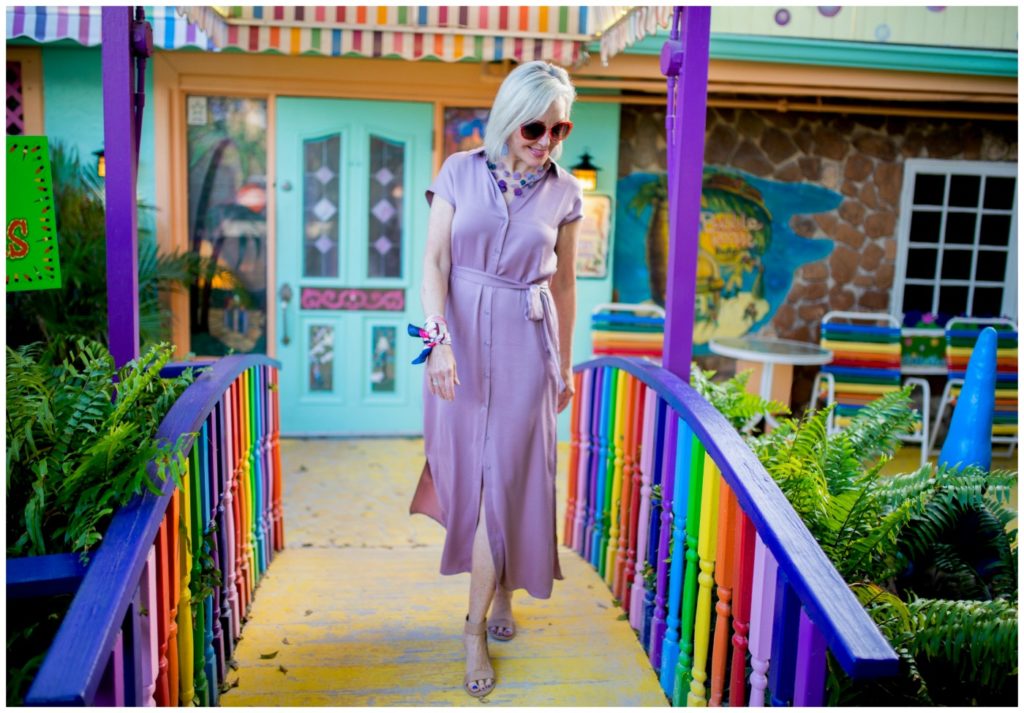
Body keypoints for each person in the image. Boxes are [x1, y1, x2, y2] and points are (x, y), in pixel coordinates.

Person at [412, 60, 583, 698]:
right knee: (474, 480)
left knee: (505, 483)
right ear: (510, 118)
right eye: (535, 127)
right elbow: (433, 261)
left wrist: (562, 363)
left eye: (559, 129)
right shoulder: (459, 171)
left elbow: (563, 284)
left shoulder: (566, 192)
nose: (546, 143)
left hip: (526, 343)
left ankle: (474, 625)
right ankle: (499, 593)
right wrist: (438, 344)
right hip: (459, 342)